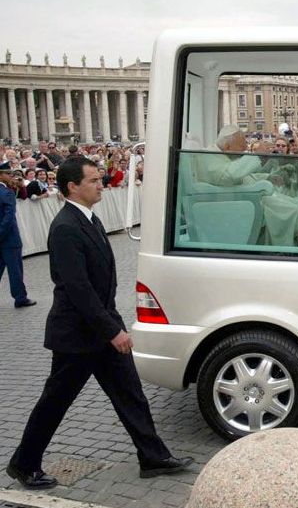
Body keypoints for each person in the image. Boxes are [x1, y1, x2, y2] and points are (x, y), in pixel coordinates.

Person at [6, 158, 193, 490]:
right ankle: (24, 464)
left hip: (102, 328)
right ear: (72, 187)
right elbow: (78, 289)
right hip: (77, 336)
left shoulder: (89, 219)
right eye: (93, 180)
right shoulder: (65, 227)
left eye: (100, 178)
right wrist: (113, 331)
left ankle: (153, 457)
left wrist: (111, 325)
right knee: (55, 402)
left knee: (131, 394)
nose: (101, 184)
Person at [0, 162, 36, 309]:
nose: (11, 176)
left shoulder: (8, 190)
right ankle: (20, 298)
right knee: (15, 270)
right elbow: (9, 217)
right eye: (8, 173)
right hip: (9, 238)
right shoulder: (6, 192)